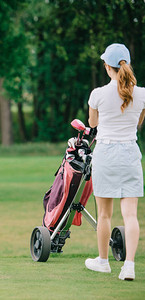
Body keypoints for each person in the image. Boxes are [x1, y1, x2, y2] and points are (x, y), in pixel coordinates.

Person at [85, 43, 145, 281]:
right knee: (130, 214)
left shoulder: (98, 94)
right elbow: (138, 122)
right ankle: (128, 266)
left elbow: (92, 124)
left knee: (105, 214)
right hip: (130, 154)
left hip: (106, 154)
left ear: (107, 67)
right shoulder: (141, 93)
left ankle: (103, 262)